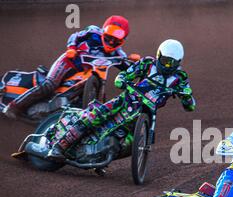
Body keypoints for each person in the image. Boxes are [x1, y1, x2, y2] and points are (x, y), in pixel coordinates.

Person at [47, 39, 196, 159]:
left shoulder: (180, 78)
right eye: (165, 61)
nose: (168, 66)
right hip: (126, 101)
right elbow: (124, 75)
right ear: (159, 56)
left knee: (129, 144)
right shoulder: (147, 64)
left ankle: (99, 157)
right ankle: (59, 146)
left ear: (179, 62)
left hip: (146, 113)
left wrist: (187, 99)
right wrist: (122, 80)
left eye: (172, 63)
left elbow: (189, 102)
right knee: (95, 116)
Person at [3, 16, 130, 119]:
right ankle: (14, 106)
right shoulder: (92, 32)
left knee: (96, 97)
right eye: (110, 36)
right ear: (104, 30)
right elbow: (75, 36)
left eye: (116, 39)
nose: (112, 41)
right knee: (50, 84)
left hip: (84, 75)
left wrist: (136, 66)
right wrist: (72, 48)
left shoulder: (119, 54)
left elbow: (129, 69)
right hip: (68, 62)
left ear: (123, 39)